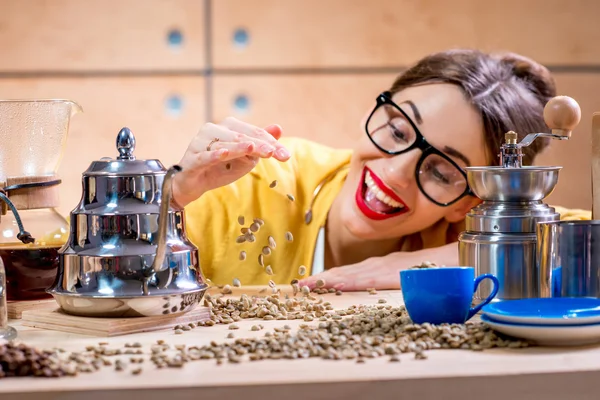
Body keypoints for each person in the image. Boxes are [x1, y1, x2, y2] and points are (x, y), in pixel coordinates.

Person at [170, 49, 590, 292]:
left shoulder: (476, 233)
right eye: (396, 129)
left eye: (442, 172)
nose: (395, 173)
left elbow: (586, 240)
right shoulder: (255, 180)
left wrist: (430, 262)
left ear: (468, 205)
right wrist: (170, 197)